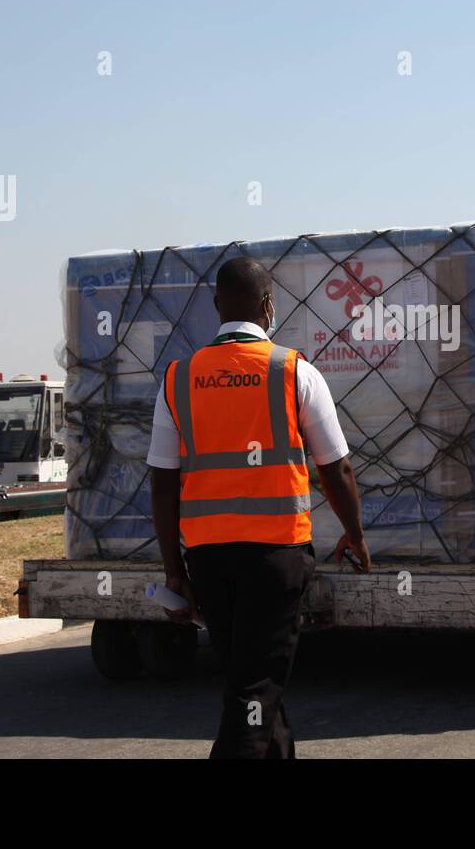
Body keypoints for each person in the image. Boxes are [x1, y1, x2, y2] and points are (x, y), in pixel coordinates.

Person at [147, 255, 369, 758]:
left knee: (249, 684)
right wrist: (355, 535)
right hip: (276, 556)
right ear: (269, 305)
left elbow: (162, 481)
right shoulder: (295, 372)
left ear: (216, 305)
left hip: (208, 559)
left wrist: (173, 570)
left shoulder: (178, 378)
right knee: (256, 689)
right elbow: (336, 468)